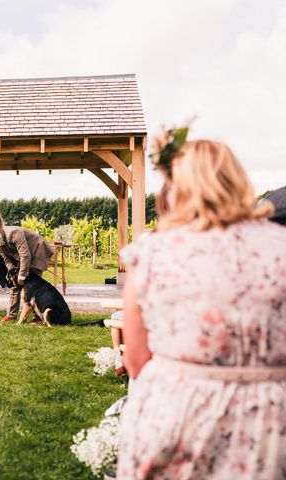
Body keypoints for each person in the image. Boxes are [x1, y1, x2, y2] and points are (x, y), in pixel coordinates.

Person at [117, 140, 286, 479]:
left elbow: (135, 358)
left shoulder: (154, 250)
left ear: (178, 187)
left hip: (177, 415)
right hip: (270, 422)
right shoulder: (281, 244)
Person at [0, 220, 55, 323]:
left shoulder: (14, 233)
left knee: (33, 287)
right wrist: (13, 273)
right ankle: (11, 315)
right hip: (23, 256)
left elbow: (25, 255)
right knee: (14, 284)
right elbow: (6, 259)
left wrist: (21, 276)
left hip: (37, 251)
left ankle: (37, 318)